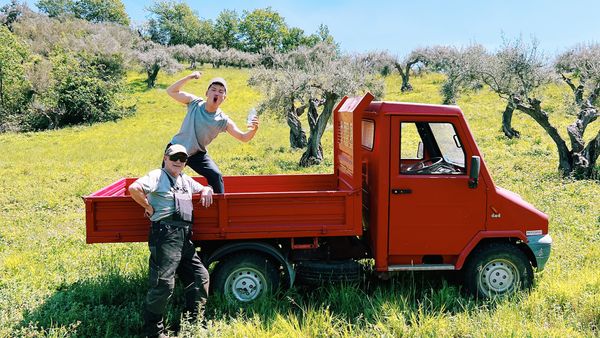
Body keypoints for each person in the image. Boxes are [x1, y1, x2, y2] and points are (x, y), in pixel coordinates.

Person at [129, 144, 214, 338]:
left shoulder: (185, 179)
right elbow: (134, 188)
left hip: (184, 237)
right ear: (165, 158)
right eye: (174, 157)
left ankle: (194, 324)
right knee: (164, 284)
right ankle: (154, 332)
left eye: (182, 159)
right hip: (165, 235)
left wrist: (207, 189)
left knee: (200, 277)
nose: (178, 161)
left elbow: (203, 188)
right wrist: (148, 206)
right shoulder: (157, 176)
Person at [165, 72, 259, 193]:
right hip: (176, 149)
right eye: (213, 89)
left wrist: (254, 130)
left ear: (224, 97)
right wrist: (189, 77)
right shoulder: (194, 103)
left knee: (215, 176)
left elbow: (243, 137)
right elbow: (171, 91)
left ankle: (219, 208)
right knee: (167, 182)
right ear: (207, 93)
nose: (216, 93)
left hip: (197, 153)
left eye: (221, 91)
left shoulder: (223, 120)